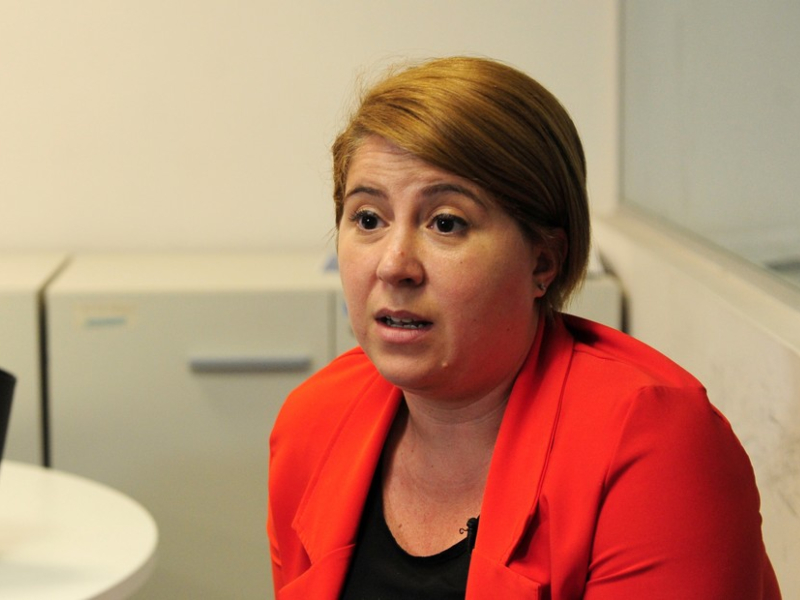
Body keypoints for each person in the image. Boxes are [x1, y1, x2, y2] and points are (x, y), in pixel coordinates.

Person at [267, 56, 781, 599]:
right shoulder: (312, 421)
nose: (394, 265)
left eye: (446, 223)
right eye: (368, 219)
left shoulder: (652, 445)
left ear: (543, 261)